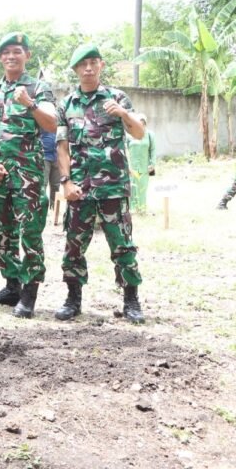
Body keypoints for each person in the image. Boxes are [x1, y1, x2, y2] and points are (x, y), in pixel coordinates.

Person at [55, 43, 146, 324]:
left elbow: (140, 133)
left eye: (93, 62)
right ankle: (73, 298)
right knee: (74, 245)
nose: (89, 68)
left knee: (122, 244)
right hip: (80, 188)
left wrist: (123, 114)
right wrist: (66, 183)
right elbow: (62, 147)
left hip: (113, 187)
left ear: (101, 65)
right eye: (83, 64)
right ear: (76, 70)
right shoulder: (67, 104)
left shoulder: (118, 98)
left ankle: (131, 299)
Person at [0, 32, 58, 319]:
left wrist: (30, 103)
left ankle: (29, 293)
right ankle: (11, 285)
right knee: (3, 230)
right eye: (6, 53)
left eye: (17, 51)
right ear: (0, 58)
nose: (11, 56)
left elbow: (51, 125)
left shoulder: (39, 88)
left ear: (26, 55)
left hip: (29, 171)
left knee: (30, 231)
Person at [126, 113, 156, 214]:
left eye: (143, 123)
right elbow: (125, 150)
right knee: (133, 187)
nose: (141, 125)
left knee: (142, 187)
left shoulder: (150, 135)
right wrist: (127, 165)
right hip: (132, 167)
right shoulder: (129, 135)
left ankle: (142, 208)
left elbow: (153, 150)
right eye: (139, 123)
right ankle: (132, 209)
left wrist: (153, 163)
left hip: (144, 166)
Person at [41, 129, 61, 210]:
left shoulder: (58, 118)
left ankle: (52, 206)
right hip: (44, 156)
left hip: (56, 156)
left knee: (55, 185)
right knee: (44, 184)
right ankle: (41, 206)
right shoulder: (43, 118)